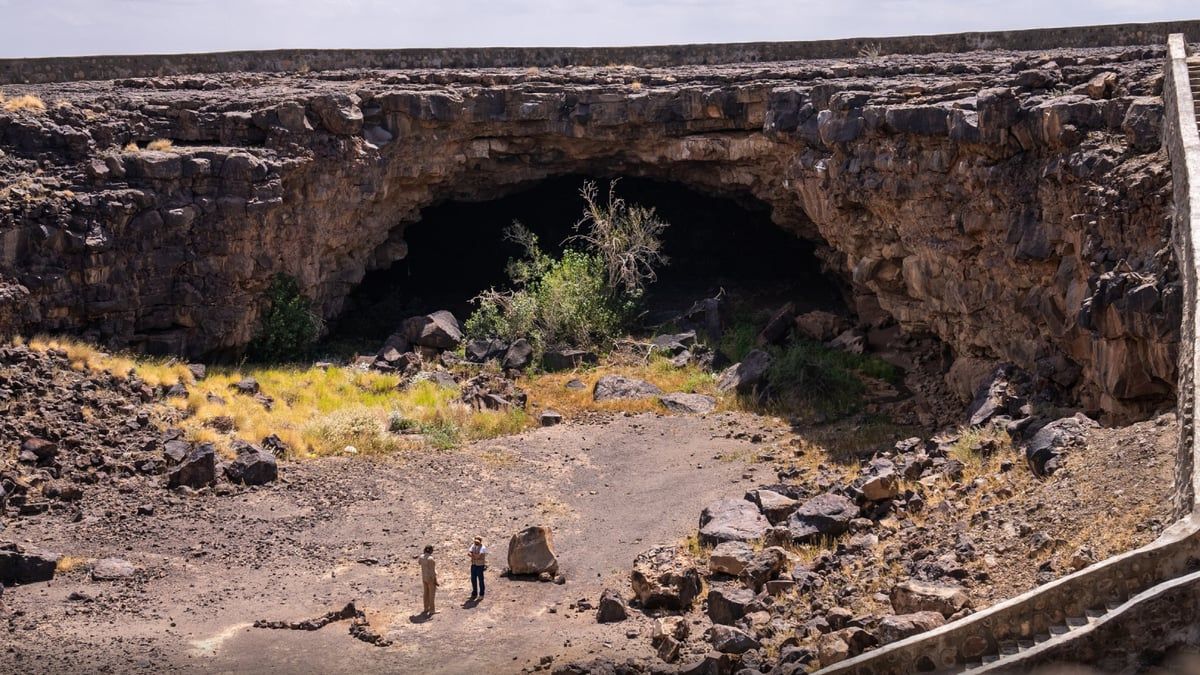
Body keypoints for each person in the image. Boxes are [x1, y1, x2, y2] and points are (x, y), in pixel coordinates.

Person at [419, 545, 438, 615]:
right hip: (430, 579)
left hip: (424, 577)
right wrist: (435, 581)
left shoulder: (421, 557)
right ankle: (432, 610)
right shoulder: (431, 559)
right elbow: (433, 572)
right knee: (431, 594)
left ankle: (426, 608)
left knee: (426, 593)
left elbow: (419, 563)